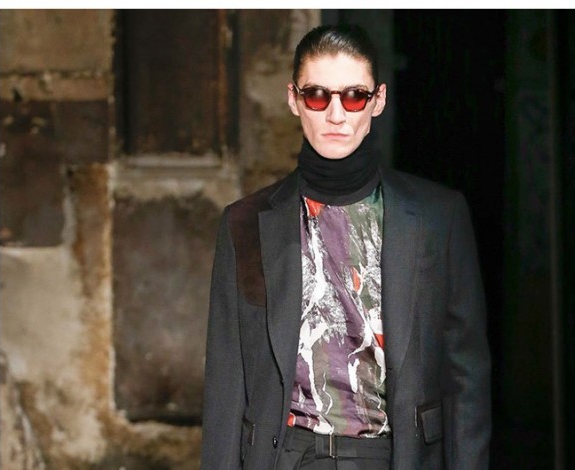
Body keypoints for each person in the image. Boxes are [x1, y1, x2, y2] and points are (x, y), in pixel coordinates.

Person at [201, 24, 491, 470]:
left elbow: (465, 377)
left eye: (354, 96)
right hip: (285, 457)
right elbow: (226, 381)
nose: (336, 114)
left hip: (394, 456)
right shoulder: (245, 223)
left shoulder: (438, 217)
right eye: (318, 95)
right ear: (294, 99)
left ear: (378, 100)